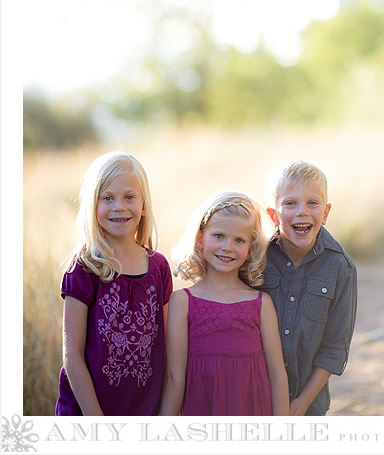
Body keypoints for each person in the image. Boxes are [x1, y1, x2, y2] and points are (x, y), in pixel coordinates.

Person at [55, 152, 172, 416]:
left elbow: (165, 348)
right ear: (92, 206)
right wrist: (99, 425)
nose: (119, 206)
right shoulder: (85, 267)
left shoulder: (159, 268)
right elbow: (72, 355)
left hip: (144, 414)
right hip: (87, 415)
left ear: (143, 206)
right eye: (107, 198)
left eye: (129, 197)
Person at [160, 191, 289, 416]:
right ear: (200, 239)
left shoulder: (260, 303)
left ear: (250, 248)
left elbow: (278, 375)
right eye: (219, 236)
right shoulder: (182, 301)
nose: (228, 247)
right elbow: (174, 377)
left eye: (239, 240)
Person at [259, 160, 357, 416]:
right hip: (256, 397)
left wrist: (301, 403)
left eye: (312, 203)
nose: (302, 212)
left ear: (325, 212)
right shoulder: (258, 259)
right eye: (290, 203)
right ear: (273, 215)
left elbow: (334, 349)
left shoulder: (340, 268)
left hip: (308, 406)